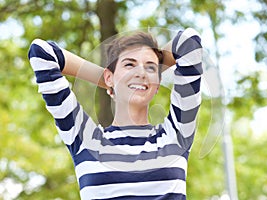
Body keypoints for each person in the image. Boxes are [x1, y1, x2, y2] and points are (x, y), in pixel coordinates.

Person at [28, 27, 203, 200]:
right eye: (129, 64)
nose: (140, 72)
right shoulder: (86, 140)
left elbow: (189, 42)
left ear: (158, 84)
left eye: (149, 68)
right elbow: (42, 53)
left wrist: (142, 78)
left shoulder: (176, 134)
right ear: (109, 77)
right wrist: (110, 82)